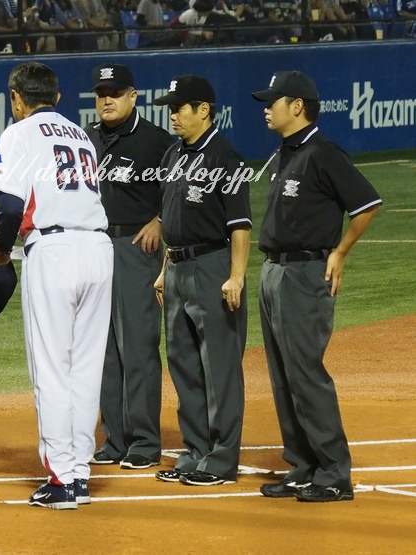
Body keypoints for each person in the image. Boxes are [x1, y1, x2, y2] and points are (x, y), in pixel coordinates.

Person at [0, 62, 114, 510]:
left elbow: (7, 203)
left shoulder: (19, 133)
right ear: (58, 98)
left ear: (17, 99)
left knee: (52, 369)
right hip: (100, 250)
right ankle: (78, 471)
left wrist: (1, 251)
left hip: (55, 252)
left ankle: (61, 480)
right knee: (85, 368)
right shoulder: (81, 135)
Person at [252, 70, 381, 502]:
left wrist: (339, 252)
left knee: (306, 374)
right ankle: (304, 465)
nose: (266, 107)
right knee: (283, 376)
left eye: (274, 101)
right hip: (273, 272)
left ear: (298, 106)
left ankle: (333, 472)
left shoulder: (324, 153)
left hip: (304, 275)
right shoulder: (286, 153)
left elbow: (366, 204)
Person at [152, 74, 251, 487]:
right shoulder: (174, 154)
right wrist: (162, 270)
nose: (172, 115)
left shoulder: (225, 157)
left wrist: (236, 276)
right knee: (184, 364)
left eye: (179, 108)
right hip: (175, 268)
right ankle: (195, 452)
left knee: (219, 366)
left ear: (204, 110)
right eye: (171, 108)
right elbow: (171, 221)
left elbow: (241, 225)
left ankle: (222, 458)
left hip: (212, 267)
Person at [84, 64, 172, 471]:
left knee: (137, 346)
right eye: (101, 93)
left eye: (115, 93)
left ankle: (144, 441)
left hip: (136, 248)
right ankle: (114, 438)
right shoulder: (85, 139)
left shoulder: (157, 141)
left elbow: (184, 190)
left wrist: (160, 221)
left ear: (133, 96)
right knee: (102, 350)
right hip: (95, 245)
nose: (107, 100)